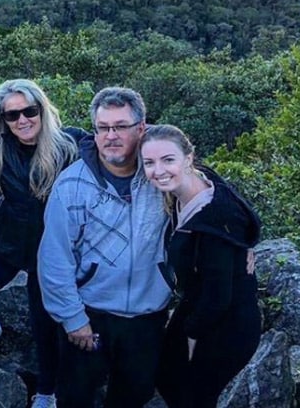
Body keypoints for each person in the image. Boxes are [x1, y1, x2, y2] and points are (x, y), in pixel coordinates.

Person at [38, 87, 173, 408]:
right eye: (103, 128)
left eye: (121, 126)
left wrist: (245, 238)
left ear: (142, 129)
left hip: (147, 317)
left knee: (132, 397)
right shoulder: (71, 185)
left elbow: (210, 194)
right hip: (91, 316)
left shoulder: (163, 175)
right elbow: (54, 260)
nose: (111, 135)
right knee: (76, 398)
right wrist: (73, 319)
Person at [0, 79, 86, 408]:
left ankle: (46, 391)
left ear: (42, 110)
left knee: (45, 322)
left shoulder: (71, 145)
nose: (22, 120)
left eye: (29, 111)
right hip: (5, 246)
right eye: (12, 115)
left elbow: (119, 143)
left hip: (49, 254)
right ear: (2, 120)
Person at [140, 125, 262, 408]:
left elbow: (219, 297)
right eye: (149, 162)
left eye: (168, 160)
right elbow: (247, 217)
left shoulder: (213, 220)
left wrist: (193, 336)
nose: (158, 170)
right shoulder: (198, 185)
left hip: (228, 322)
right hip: (197, 305)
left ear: (188, 158)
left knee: (194, 397)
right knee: (166, 377)